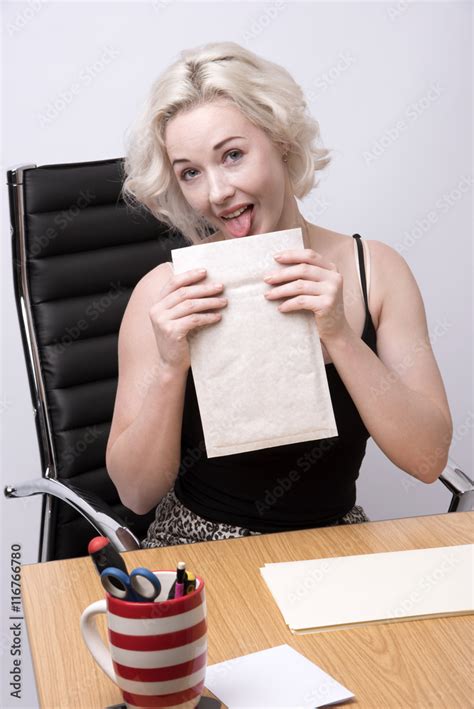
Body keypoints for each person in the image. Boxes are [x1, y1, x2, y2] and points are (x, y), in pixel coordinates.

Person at [105, 41, 453, 548]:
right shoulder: (163, 293)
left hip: (334, 544)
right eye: (191, 172)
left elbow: (428, 460)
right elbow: (135, 493)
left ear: (282, 143)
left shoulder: (376, 271)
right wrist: (169, 367)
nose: (217, 192)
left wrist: (339, 336)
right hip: (200, 548)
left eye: (233, 155)